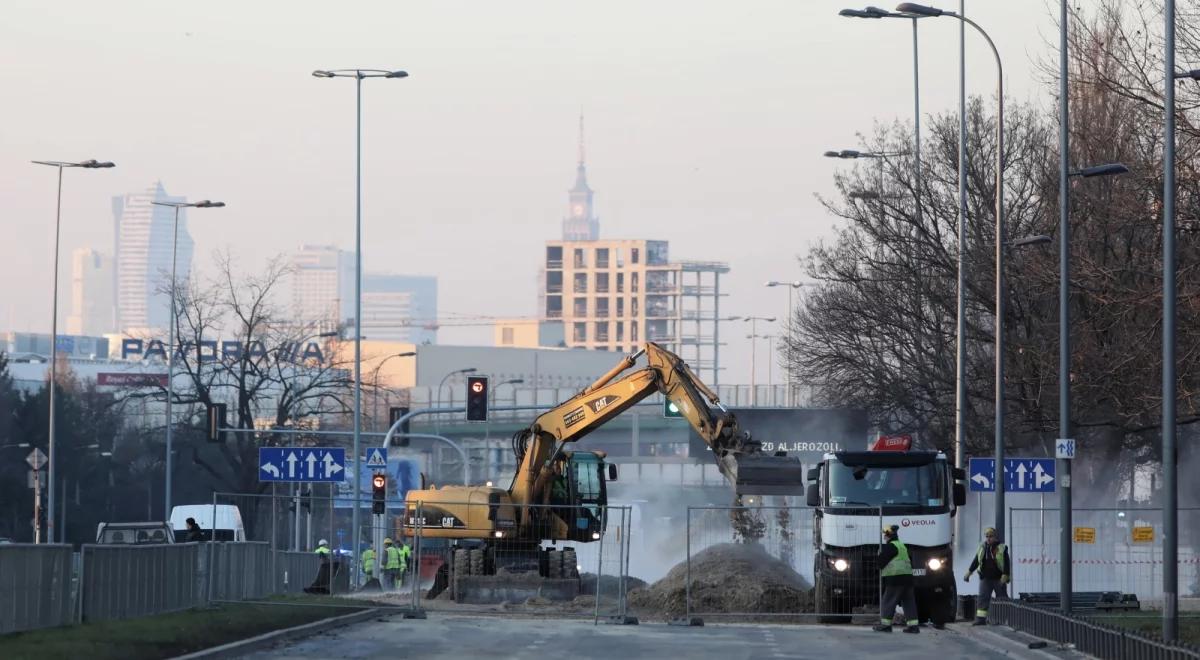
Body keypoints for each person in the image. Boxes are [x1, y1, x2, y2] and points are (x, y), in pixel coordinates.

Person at [874, 524, 920, 634]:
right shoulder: (902, 546)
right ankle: (913, 626)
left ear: (888, 536)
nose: (884, 537)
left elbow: (880, 563)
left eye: (885, 535)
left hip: (895, 579)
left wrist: (879, 555)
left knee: (888, 600)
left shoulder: (890, 547)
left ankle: (885, 625)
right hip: (908, 579)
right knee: (909, 601)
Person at [965, 527, 1011, 625]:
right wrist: (969, 572)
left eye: (991, 536)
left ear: (995, 537)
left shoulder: (1001, 548)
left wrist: (1005, 575)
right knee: (982, 598)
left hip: (998, 578)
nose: (988, 538)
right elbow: (976, 561)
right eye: (987, 536)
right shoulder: (982, 548)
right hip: (985, 578)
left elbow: (1006, 563)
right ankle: (981, 620)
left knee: (1002, 599)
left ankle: (1003, 620)